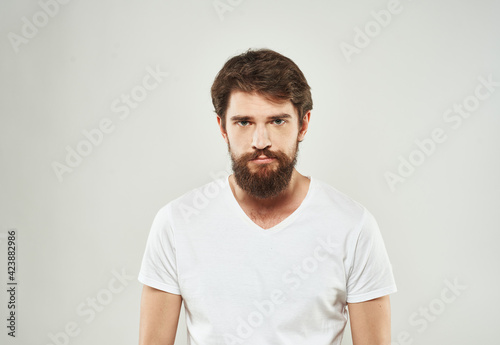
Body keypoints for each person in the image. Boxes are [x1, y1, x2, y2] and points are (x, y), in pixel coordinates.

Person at [137, 48, 397, 345]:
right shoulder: (176, 223)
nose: (261, 142)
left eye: (277, 121)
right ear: (223, 127)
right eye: (244, 122)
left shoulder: (353, 225)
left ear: (304, 124)